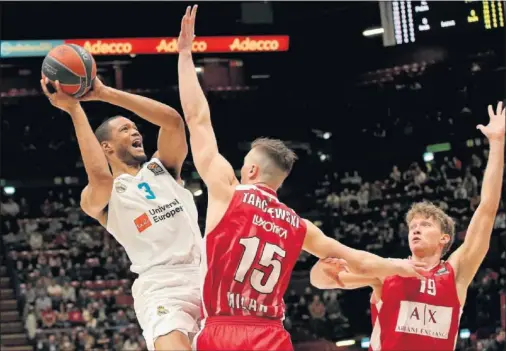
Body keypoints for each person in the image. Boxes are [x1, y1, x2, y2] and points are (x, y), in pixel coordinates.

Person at [176, 6, 430, 351]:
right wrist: (406, 266)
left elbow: (197, 118)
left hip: (222, 329)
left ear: (250, 170)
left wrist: (185, 55)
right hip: (269, 335)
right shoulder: (299, 226)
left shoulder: (227, 190)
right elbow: (359, 259)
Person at [310, 102, 505, 351]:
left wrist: (497, 142)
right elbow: (321, 281)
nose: (416, 229)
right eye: (413, 225)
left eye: (425, 224)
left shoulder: (456, 274)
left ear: (445, 238)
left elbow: (487, 209)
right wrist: (321, 268)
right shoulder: (389, 270)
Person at [40, 75, 202, 351]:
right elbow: (101, 178)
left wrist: (105, 93)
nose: (135, 132)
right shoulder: (101, 196)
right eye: (125, 130)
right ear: (107, 147)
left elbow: (173, 121)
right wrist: (75, 110)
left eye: (136, 128)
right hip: (162, 287)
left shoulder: (162, 168)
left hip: (207, 276)